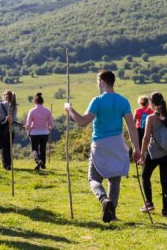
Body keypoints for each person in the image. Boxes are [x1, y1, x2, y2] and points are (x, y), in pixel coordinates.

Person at [65, 70, 140, 223]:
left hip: (100, 143)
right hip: (118, 143)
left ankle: (104, 200)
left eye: (98, 81)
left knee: (93, 178)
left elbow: (82, 122)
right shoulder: (123, 101)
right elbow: (132, 127)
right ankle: (112, 214)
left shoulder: (97, 101)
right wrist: (136, 148)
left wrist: (69, 109)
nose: (97, 84)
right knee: (114, 179)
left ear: (103, 82)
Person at [139, 92, 167, 217]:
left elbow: (146, 138)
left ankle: (149, 203)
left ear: (152, 104)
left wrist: (142, 155)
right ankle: (165, 210)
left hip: (153, 153)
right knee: (165, 182)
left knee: (145, 176)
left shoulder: (151, 118)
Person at [25, 93, 54, 171]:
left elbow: (28, 124)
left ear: (35, 102)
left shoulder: (32, 111)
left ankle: (38, 161)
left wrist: (28, 131)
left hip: (34, 133)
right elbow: (52, 124)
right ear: (42, 102)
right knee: (43, 148)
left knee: (35, 149)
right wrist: (49, 128)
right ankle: (43, 164)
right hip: (45, 132)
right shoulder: (47, 111)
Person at [0, 90, 19, 170]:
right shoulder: (14, 106)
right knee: (9, 147)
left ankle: (6, 164)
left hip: (2, 128)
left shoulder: (0, 104)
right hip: (11, 129)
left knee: (3, 148)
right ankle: (9, 163)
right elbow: (14, 119)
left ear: (5, 96)